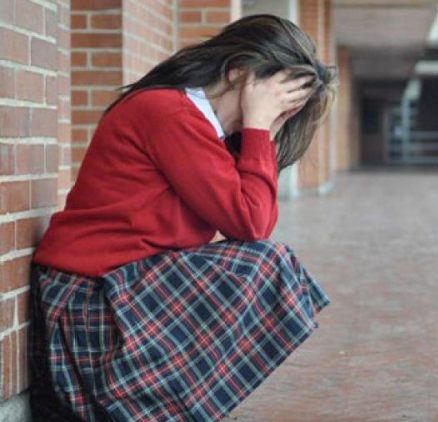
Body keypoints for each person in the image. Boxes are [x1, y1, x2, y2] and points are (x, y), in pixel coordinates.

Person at [28, 14, 336, 421]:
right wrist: (259, 130)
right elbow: (250, 224)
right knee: (266, 266)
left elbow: (256, 222)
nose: (272, 117)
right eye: (272, 101)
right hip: (88, 299)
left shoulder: (207, 132)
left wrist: (263, 134)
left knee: (268, 266)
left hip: (125, 287)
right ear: (238, 72)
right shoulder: (169, 112)